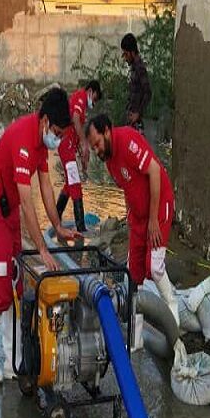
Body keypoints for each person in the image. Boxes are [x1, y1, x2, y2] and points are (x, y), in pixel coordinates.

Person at [0, 87, 81, 383]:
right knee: (0, 285)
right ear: (45, 121)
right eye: (57, 132)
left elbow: (46, 187)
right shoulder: (23, 138)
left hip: (8, 212)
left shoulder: (41, 146)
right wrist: (42, 249)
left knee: (16, 283)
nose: (58, 139)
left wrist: (58, 225)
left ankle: (12, 360)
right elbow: (26, 201)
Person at [86, 113, 178, 326]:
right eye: (93, 148)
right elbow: (128, 187)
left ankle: (172, 312)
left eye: (98, 144)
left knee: (154, 268)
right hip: (137, 216)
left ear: (107, 131)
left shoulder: (128, 140)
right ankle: (138, 328)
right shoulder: (109, 162)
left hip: (158, 207)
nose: (96, 150)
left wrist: (153, 220)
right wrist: (130, 217)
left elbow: (154, 171)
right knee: (133, 273)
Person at [56, 79, 102, 232]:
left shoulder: (81, 101)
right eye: (94, 98)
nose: (93, 103)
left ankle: (56, 217)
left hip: (69, 146)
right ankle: (81, 228)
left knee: (70, 185)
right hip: (66, 145)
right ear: (91, 91)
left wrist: (83, 157)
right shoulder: (81, 97)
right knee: (75, 185)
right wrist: (84, 144)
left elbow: (77, 128)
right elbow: (75, 118)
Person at [120, 33, 151, 133]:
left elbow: (148, 92)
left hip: (136, 122)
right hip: (131, 121)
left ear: (132, 52)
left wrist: (138, 113)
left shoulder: (140, 68)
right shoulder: (134, 68)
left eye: (126, 54)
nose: (125, 58)